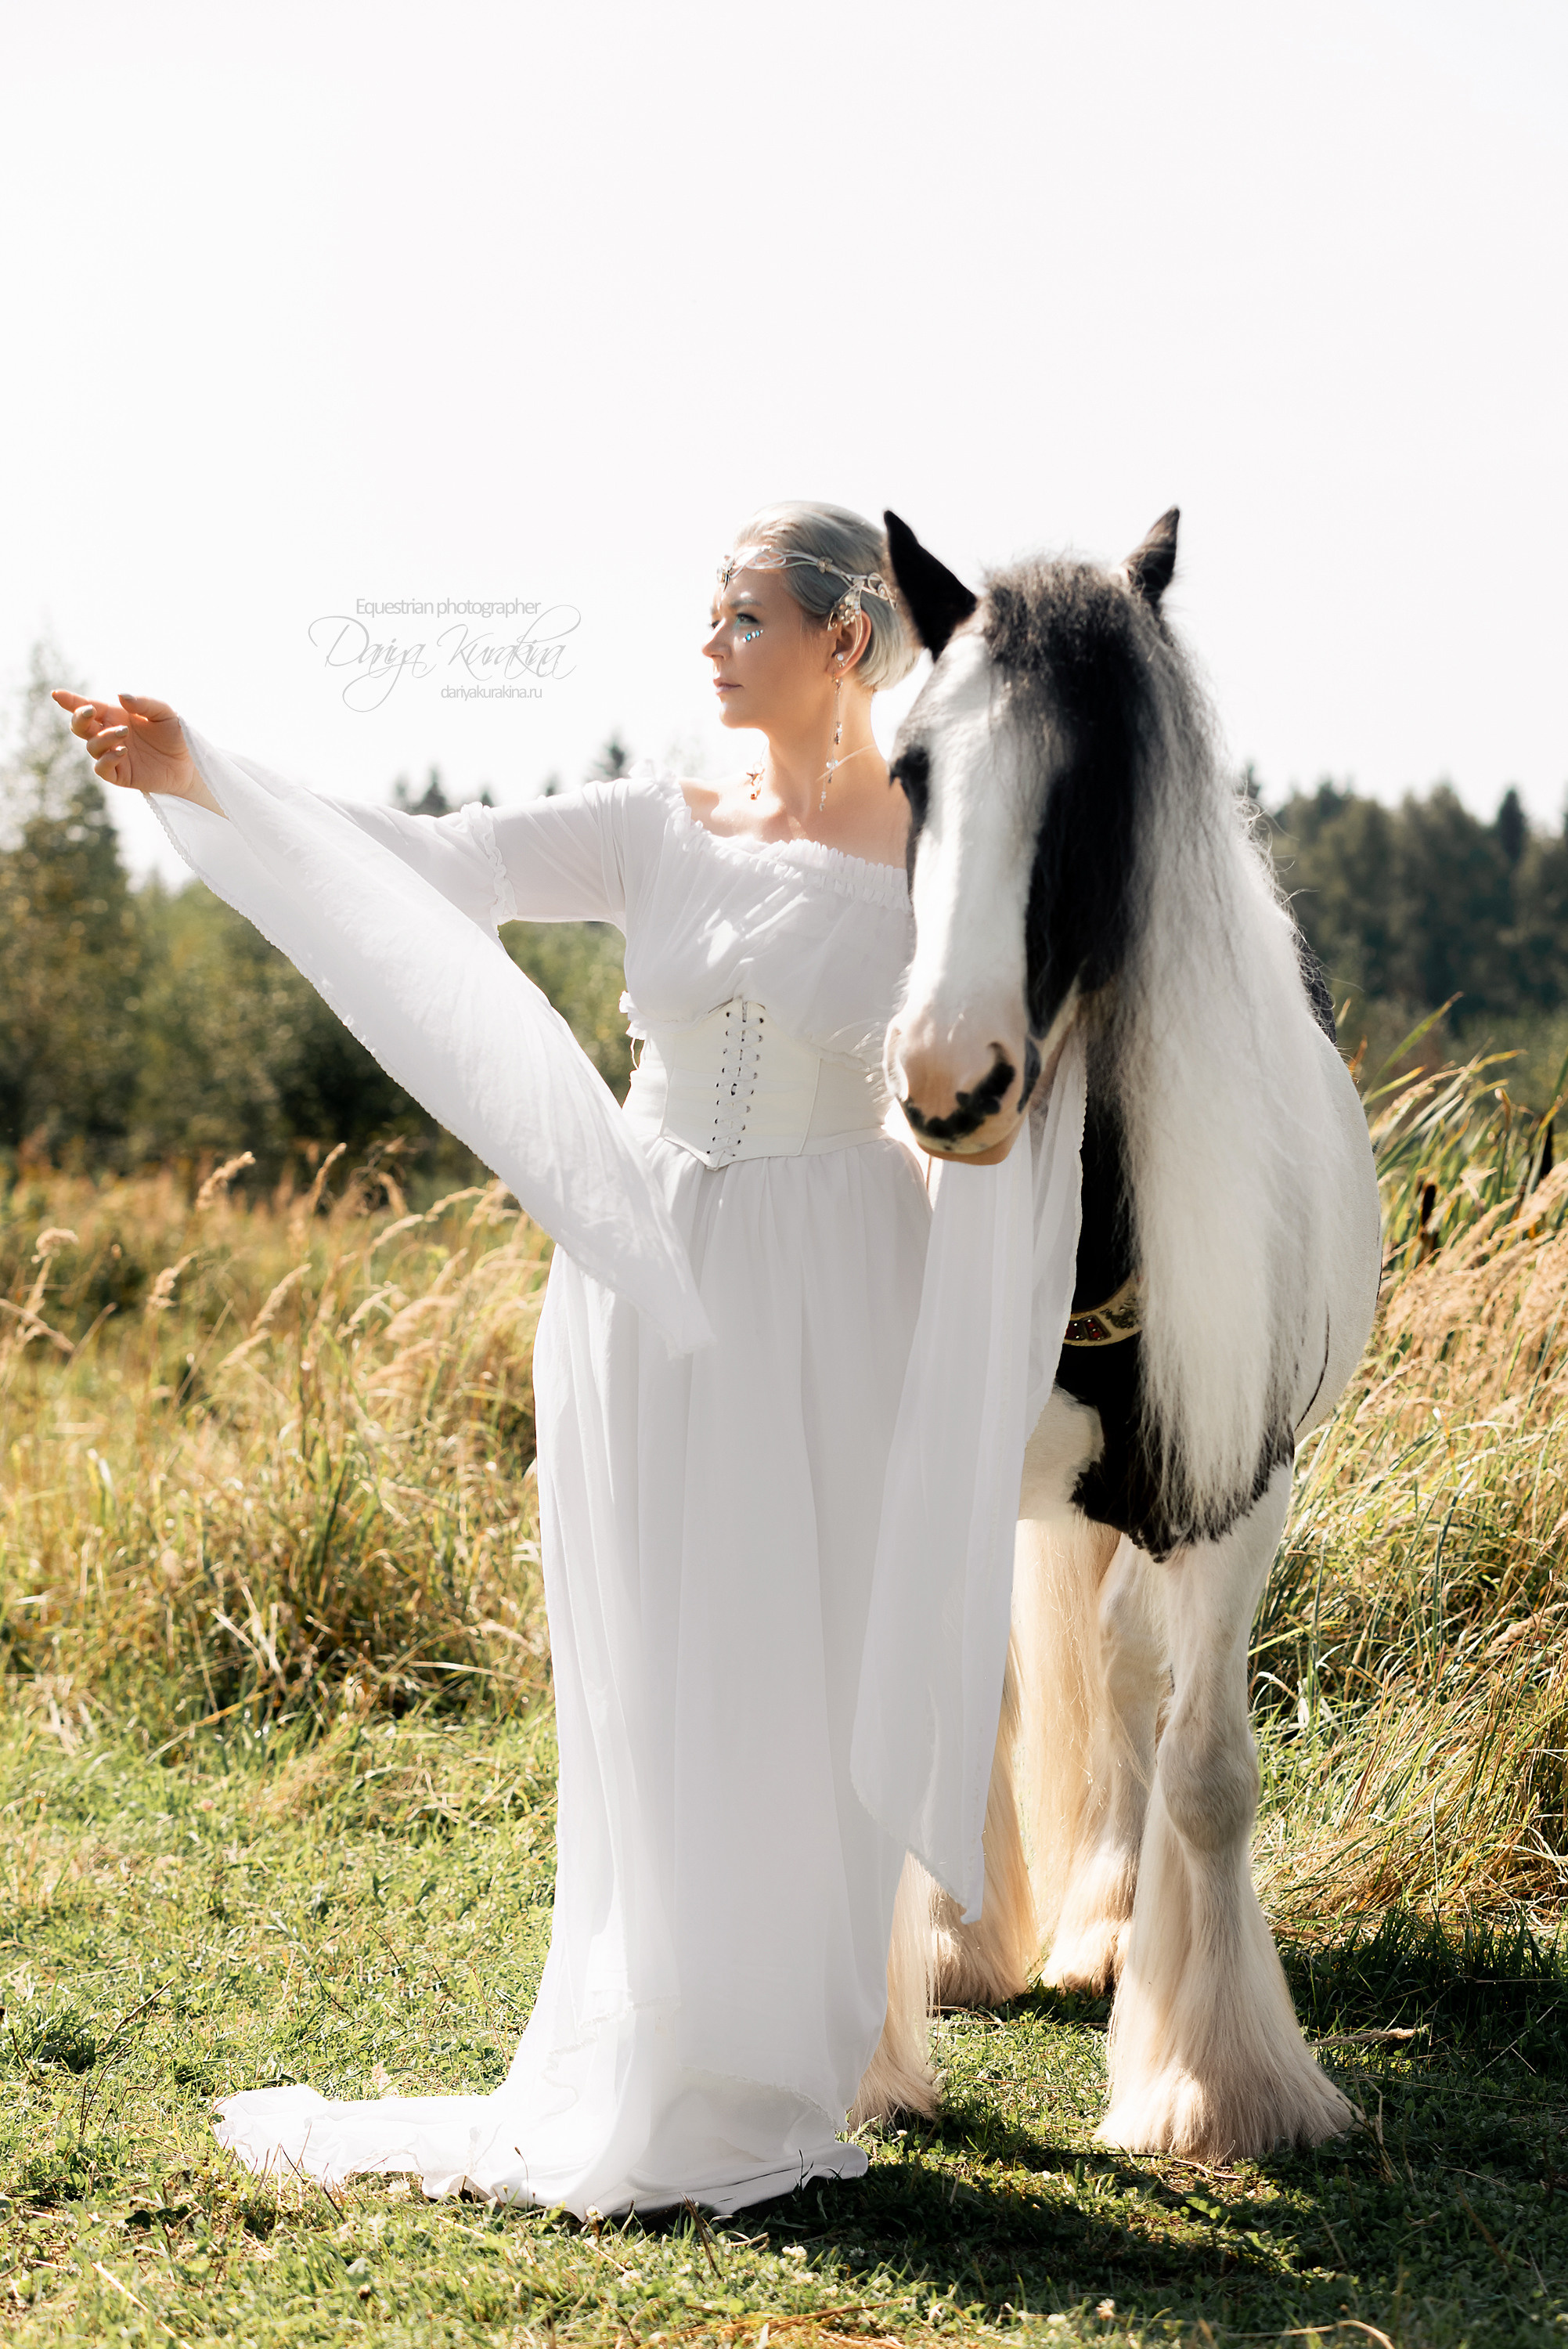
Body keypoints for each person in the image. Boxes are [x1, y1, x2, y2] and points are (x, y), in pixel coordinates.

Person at [56, 503, 965, 2217]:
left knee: (817, 1634)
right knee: (659, 1638)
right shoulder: (655, 821)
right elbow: (434, 857)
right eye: (709, 609)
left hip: (855, 1267)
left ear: (847, 638)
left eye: (745, 613)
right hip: (652, 1255)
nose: (707, 640)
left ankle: (803, 2046)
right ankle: (670, 2033)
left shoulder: (947, 839)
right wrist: (207, 774)